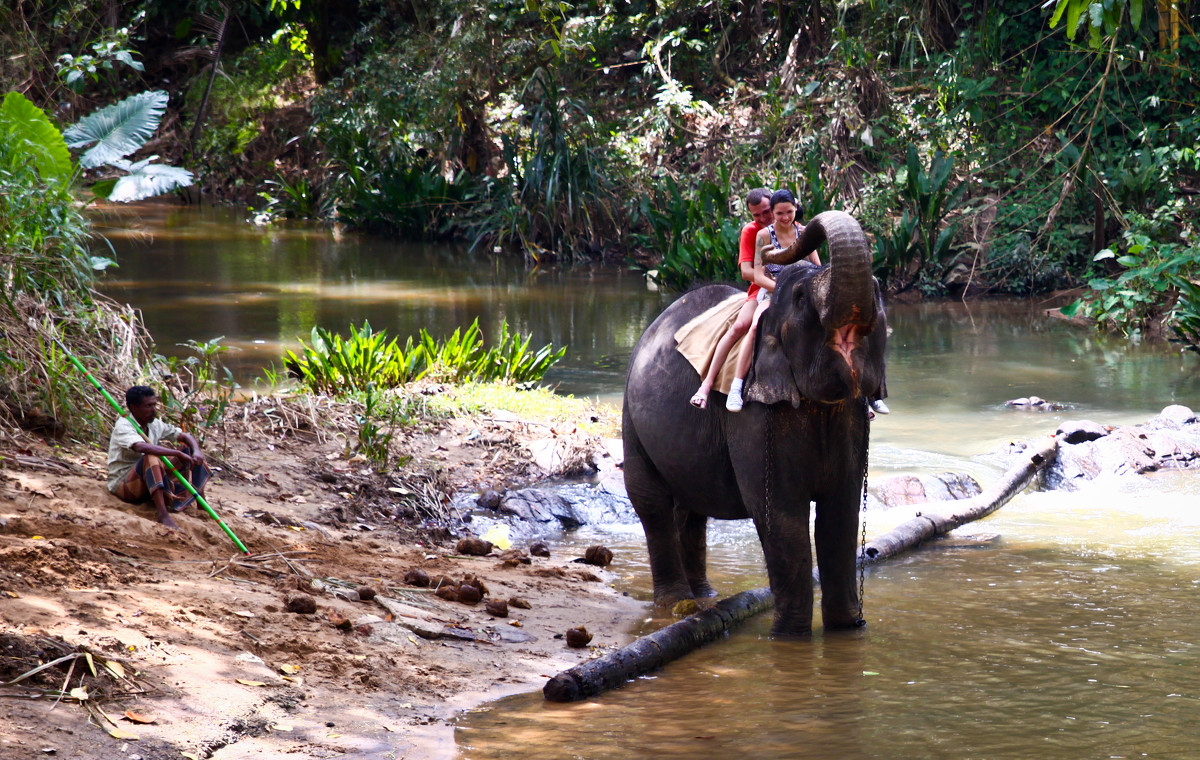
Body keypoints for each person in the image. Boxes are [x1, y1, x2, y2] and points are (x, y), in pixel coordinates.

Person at [726, 188, 820, 412]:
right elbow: (757, 275)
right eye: (779, 214)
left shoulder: (805, 232)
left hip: (804, 293)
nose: (785, 218)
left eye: (789, 212)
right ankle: (736, 387)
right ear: (774, 214)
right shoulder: (763, 235)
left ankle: (866, 395)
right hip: (774, 292)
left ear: (796, 209)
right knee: (755, 326)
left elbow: (817, 267)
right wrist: (783, 289)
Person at [689, 187, 776, 409]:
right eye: (756, 215)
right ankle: (706, 385)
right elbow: (747, 272)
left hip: (792, 287)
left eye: (766, 212)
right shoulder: (752, 231)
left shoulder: (791, 225)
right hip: (762, 288)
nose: (763, 218)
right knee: (741, 325)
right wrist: (773, 282)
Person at [107, 385, 211, 530]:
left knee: (189, 451)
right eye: (148, 406)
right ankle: (163, 514)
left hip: (147, 480)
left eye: (154, 405)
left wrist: (197, 451)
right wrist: (175, 453)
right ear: (134, 407)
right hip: (124, 484)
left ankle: (201, 502)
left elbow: (184, 436)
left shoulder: (154, 424)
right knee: (152, 457)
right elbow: (140, 447)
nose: (153, 410)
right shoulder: (123, 426)